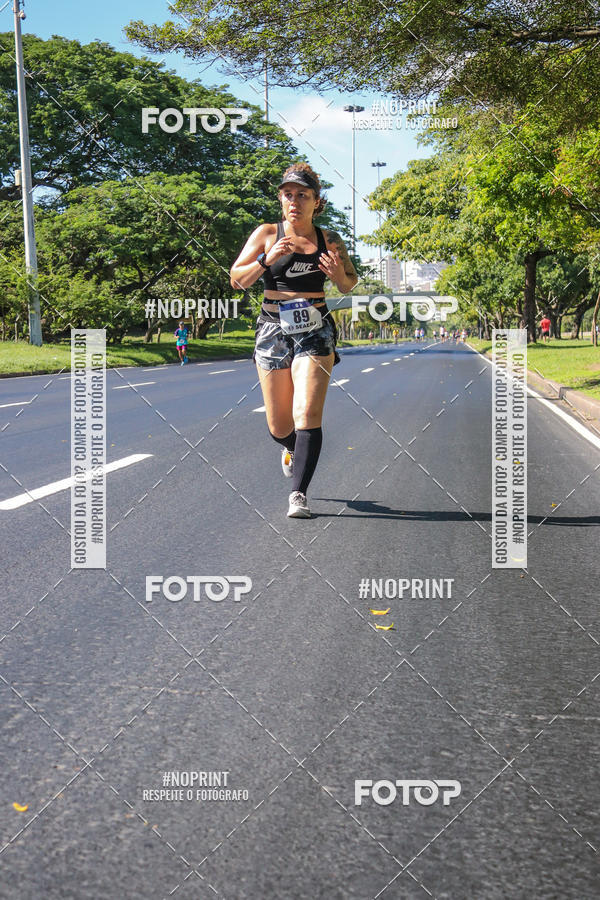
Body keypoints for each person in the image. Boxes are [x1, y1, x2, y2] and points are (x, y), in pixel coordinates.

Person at [230, 163, 357, 518]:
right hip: (272, 330)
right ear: (280, 199)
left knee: (306, 412)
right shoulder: (267, 234)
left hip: (315, 329)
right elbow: (237, 280)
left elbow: (350, 283)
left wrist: (337, 276)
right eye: (288, 194)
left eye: (302, 195)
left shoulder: (329, 240)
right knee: (280, 425)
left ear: (317, 201)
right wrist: (264, 260)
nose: (294, 201)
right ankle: (292, 449)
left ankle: (298, 494)